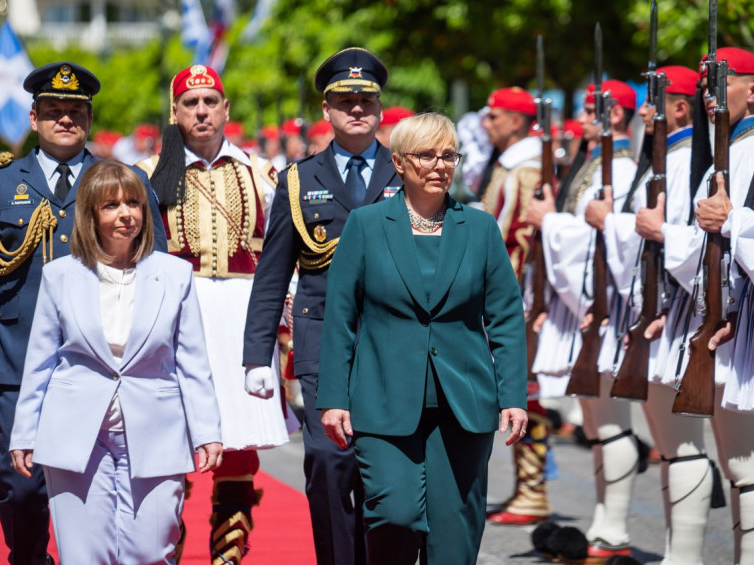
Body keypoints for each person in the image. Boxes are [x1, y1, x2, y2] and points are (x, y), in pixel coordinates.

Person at [0, 61, 167, 565]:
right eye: (53, 111)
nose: (65, 119)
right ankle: (29, 557)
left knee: (98, 482)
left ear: (89, 118)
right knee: (21, 483)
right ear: (33, 118)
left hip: (101, 361)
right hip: (19, 357)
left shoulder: (121, 181)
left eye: (75, 111)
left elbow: (154, 269)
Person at [317, 112, 528, 564]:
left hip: (464, 404)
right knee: (395, 516)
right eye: (426, 155)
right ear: (398, 162)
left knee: (454, 539)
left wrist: (513, 395)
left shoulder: (481, 229)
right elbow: (340, 316)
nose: (439, 165)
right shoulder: (366, 225)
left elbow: (506, 318)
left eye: (448, 155)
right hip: (382, 402)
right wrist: (333, 396)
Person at [9, 159, 222, 564]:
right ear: (90, 214)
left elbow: (193, 362)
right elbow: (39, 362)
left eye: (133, 204)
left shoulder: (175, 274)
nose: (126, 214)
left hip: (156, 430)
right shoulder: (60, 276)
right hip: (76, 434)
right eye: (111, 205)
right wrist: (24, 433)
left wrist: (207, 431)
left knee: (151, 551)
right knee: (85, 555)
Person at [243, 47, 402, 565]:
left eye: (366, 100)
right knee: (329, 465)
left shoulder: (408, 173)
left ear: (378, 108)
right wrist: (255, 356)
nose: (356, 109)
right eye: (344, 100)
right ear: (327, 110)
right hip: (322, 343)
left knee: (389, 469)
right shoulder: (297, 179)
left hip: (396, 344)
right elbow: (271, 275)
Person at [137, 63, 290, 564]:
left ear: (226, 109)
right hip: (178, 313)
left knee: (239, 439)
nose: (201, 111)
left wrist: (285, 307)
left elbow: (284, 249)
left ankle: (228, 555)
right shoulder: (147, 175)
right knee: (172, 435)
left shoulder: (262, 172)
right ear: (174, 112)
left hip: (246, 311)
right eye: (189, 103)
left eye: (210, 102)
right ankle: (164, 547)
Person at [590, 65, 722, 564]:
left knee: (692, 447)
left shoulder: (689, 159)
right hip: (662, 310)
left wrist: (619, 225)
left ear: (679, 107)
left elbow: (690, 242)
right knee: (673, 445)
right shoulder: (671, 157)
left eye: (655, 100)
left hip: (680, 312)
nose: (646, 110)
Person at [527, 79, 641, 561]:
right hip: (583, 305)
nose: (585, 113)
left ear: (616, 115)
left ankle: (612, 529)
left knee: (610, 421)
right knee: (596, 422)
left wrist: (549, 220)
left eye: (593, 107)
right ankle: (602, 521)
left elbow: (606, 239)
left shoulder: (623, 166)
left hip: (606, 306)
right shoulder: (593, 162)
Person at [657, 47, 754, 565]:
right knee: (739, 464)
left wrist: (731, 222)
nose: (707, 96)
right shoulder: (726, 152)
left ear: (752, 89)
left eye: (721, 84)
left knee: (749, 465)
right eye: (703, 87)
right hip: (728, 318)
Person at [479, 86, 552, 526]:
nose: (487, 123)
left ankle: (533, 490)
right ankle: (527, 489)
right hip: (514, 292)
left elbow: (519, 243)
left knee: (526, 389)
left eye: (495, 116)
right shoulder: (515, 164)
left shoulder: (524, 170)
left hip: (519, 294)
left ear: (516, 121)